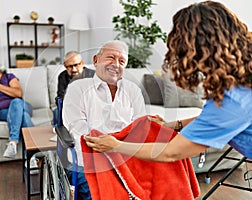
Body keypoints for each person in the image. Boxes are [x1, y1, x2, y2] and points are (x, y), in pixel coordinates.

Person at [85, 1, 252, 163]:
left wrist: (116, 146)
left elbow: (171, 152)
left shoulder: (233, 101)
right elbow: (212, 119)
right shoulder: (239, 82)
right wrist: (172, 125)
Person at [62, 40, 146, 199]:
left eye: (122, 61)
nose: (116, 64)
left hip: (126, 158)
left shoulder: (133, 91)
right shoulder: (77, 89)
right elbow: (77, 128)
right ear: (96, 60)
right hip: (89, 161)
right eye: (110, 58)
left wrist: (121, 148)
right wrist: (109, 149)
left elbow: (140, 127)